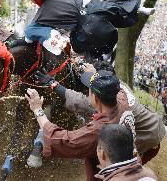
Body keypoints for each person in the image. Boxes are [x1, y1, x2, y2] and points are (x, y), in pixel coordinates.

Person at [35, 60, 166, 165]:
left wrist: (39, 105)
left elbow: (69, 140)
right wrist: (93, 73)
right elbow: (105, 81)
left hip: (146, 141)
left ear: (95, 98)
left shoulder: (101, 125)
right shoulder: (119, 90)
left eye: (89, 89)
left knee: (99, 161)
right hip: (154, 129)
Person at [26, 70, 132, 181]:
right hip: (127, 168)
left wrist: (37, 109)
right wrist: (54, 84)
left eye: (88, 90)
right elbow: (82, 100)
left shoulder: (97, 131)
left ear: (94, 97)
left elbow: (64, 140)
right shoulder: (122, 99)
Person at [17, 0, 155, 59]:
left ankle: (104, 56)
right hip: (94, 12)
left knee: (86, 55)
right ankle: (138, 7)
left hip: (85, 31)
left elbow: (29, 36)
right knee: (108, 5)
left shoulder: (42, 14)